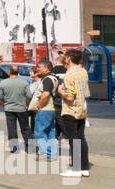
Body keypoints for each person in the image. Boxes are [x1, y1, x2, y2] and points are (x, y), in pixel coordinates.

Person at [58, 47, 91, 177]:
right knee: (81, 138)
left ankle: (76, 169)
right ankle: (84, 167)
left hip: (70, 111)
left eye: (66, 57)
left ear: (69, 59)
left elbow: (70, 97)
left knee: (73, 140)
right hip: (81, 109)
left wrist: (61, 91)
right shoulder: (83, 72)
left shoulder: (69, 75)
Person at [0, 65, 33, 154]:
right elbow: (29, 96)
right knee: (25, 128)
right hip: (21, 108)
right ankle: (30, 148)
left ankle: (14, 148)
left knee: (11, 128)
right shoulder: (24, 82)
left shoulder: (3, 83)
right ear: (18, 72)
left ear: (9, 72)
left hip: (9, 108)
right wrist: (26, 104)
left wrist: (3, 105)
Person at [32, 58, 60, 160]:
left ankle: (44, 154)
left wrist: (39, 105)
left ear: (46, 68)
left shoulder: (47, 79)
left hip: (45, 109)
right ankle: (51, 154)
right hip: (52, 109)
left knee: (40, 132)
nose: (37, 69)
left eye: (39, 67)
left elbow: (46, 94)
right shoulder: (54, 77)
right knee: (50, 132)